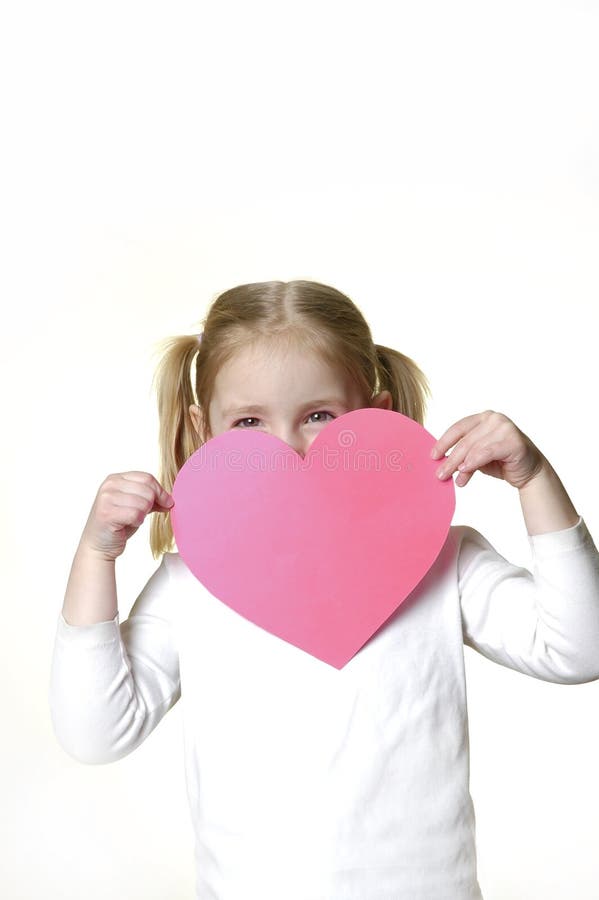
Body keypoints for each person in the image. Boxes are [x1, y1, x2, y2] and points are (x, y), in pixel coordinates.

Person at [49, 279, 599, 900]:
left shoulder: (447, 562)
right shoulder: (190, 588)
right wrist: (96, 555)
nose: (287, 448)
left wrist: (536, 480)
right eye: (250, 421)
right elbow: (96, 733)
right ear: (204, 430)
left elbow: (581, 650)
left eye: (318, 416)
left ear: (377, 415)